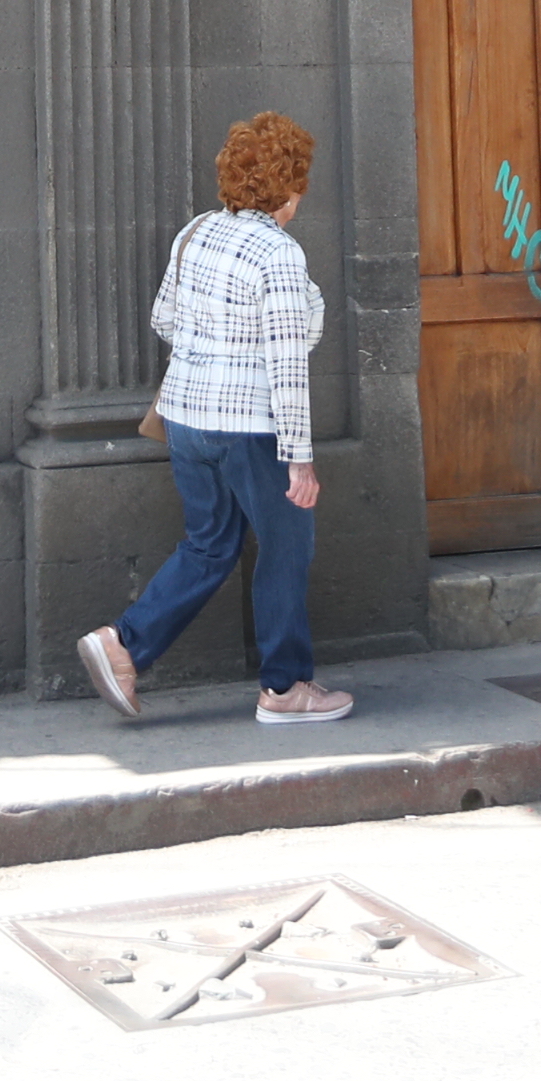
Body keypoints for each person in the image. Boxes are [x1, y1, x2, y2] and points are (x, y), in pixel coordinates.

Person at [79, 111, 352, 725]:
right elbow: (287, 363)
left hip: (185, 416)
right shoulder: (279, 254)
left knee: (210, 544)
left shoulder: (196, 232)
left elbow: (165, 322)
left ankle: (123, 645)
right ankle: (284, 688)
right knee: (286, 544)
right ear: (291, 186)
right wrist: (300, 459)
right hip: (249, 426)